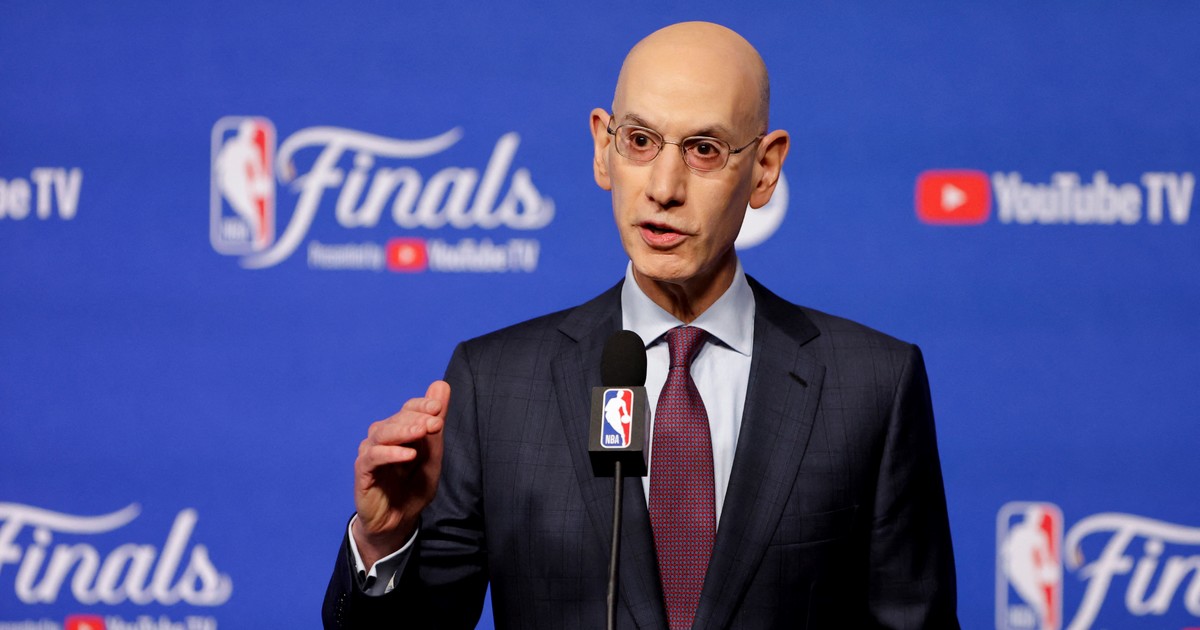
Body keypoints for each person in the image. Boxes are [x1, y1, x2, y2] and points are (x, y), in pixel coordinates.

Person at [324, 21, 958, 629]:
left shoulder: (872, 385)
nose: (663, 186)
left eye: (704, 150)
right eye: (640, 141)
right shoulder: (494, 386)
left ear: (764, 169)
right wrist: (384, 544)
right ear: (603, 148)